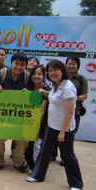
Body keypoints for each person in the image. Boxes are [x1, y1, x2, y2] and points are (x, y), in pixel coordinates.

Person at [27, 59, 84, 190]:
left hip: (64, 129)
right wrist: (45, 93)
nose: (52, 73)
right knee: (44, 151)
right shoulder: (55, 84)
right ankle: (38, 175)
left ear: (62, 71)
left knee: (67, 155)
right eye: (50, 71)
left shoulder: (68, 87)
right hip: (51, 125)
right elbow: (54, 99)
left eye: (55, 70)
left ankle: (76, 184)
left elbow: (70, 113)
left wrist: (63, 132)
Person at [0, 52, 29, 173]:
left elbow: (33, 95)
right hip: (1, 114)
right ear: (11, 63)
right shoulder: (1, 74)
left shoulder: (27, 77)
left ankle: (18, 162)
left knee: (22, 139)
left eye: (22, 65)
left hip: (19, 115)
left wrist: (28, 92)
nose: (19, 67)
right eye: (16, 63)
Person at [51, 56, 89, 166]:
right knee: (54, 136)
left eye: (73, 64)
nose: (71, 66)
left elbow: (85, 95)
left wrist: (71, 98)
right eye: (69, 64)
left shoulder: (81, 79)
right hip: (58, 112)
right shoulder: (59, 78)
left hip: (73, 112)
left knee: (67, 137)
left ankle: (64, 158)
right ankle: (53, 154)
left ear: (78, 66)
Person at [24, 65, 50, 170]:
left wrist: (36, 128)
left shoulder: (46, 89)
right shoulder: (28, 87)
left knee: (37, 145)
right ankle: (30, 164)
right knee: (28, 145)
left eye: (39, 74)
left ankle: (36, 167)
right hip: (28, 121)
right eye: (34, 74)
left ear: (44, 76)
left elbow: (42, 111)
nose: (36, 76)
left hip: (40, 122)